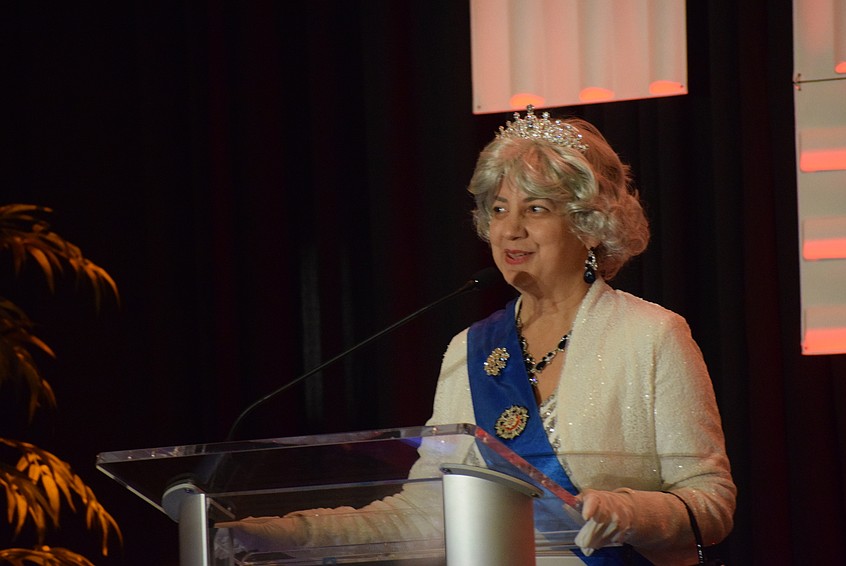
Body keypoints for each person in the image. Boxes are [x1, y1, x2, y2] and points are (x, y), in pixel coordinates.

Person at [219, 107, 736, 566]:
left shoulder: (652, 336)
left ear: (590, 224)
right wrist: (273, 535)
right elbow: (422, 515)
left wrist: (627, 511)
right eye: (498, 209)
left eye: (535, 209)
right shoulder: (470, 348)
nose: (509, 230)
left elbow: (710, 505)